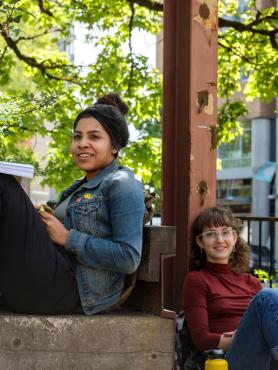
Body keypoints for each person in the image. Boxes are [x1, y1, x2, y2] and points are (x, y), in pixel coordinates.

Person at [0, 92, 145, 315]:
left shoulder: (123, 183)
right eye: (77, 137)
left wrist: (68, 238)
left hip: (72, 288)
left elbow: (128, 258)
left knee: (3, 183)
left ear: (114, 146)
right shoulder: (78, 187)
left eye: (94, 137)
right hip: (43, 276)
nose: (82, 144)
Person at [182, 206, 278, 370]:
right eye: (211, 234)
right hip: (226, 360)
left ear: (234, 238)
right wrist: (242, 337)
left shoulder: (251, 282)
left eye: (225, 232)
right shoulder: (196, 280)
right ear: (200, 242)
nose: (220, 239)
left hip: (266, 357)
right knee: (267, 296)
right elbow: (201, 339)